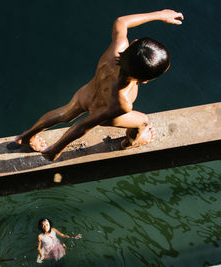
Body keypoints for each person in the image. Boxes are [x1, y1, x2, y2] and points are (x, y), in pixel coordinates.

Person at [14, 10, 184, 161]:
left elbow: (121, 21)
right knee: (143, 121)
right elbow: (83, 125)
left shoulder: (116, 49)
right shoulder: (123, 102)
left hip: (88, 93)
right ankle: (130, 143)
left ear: (133, 43)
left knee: (64, 113)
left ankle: (27, 137)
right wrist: (56, 149)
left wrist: (159, 15)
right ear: (144, 81)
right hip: (107, 111)